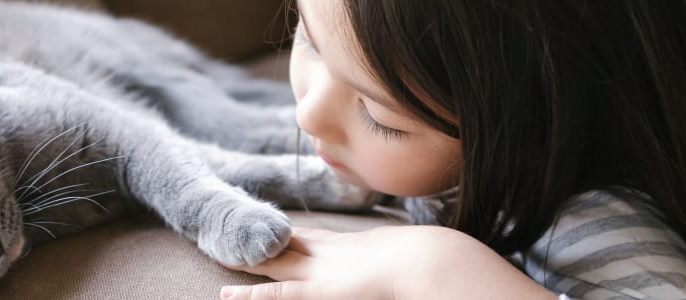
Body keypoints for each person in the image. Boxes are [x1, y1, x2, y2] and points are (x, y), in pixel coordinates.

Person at [219, 1, 686, 299]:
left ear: (532, 142)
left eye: (381, 119)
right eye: (309, 40)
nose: (308, 116)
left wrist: (436, 270)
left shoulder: (593, 225)